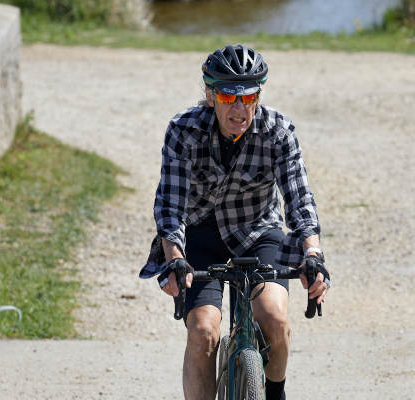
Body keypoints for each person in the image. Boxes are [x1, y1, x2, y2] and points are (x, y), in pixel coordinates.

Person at [139, 44, 329, 400]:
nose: (240, 108)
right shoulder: (183, 131)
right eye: (229, 96)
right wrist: (174, 258)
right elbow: (170, 205)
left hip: (258, 230)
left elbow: (300, 199)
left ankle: (273, 393)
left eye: (249, 96)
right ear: (211, 96)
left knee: (274, 318)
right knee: (204, 333)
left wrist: (313, 254)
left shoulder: (278, 131)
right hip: (199, 233)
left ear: (259, 95)